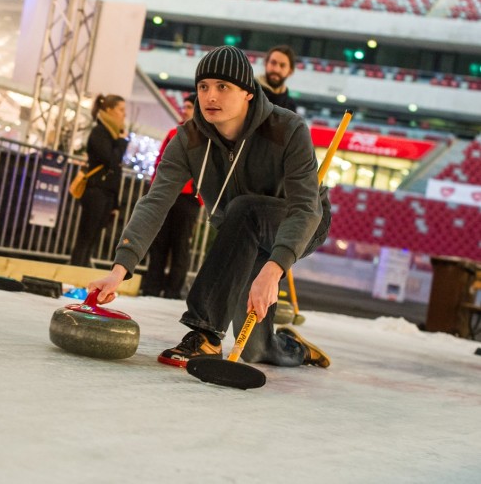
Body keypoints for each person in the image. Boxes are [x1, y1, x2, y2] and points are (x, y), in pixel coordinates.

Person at [89, 46, 331, 369]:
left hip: (300, 220)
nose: (210, 96)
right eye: (203, 87)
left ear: (247, 92)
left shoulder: (288, 129)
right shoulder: (188, 140)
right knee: (256, 350)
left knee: (245, 210)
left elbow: (305, 208)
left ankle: (204, 333)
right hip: (245, 228)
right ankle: (290, 346)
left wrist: (274, 270)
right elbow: (155, 202)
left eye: (222, 87)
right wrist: (119, 270)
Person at [140, 93, 201, 299]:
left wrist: (199, 199)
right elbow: (159, 163)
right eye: (183, 106)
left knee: (180, 247)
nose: (184, 110)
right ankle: (151, 288)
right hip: (167, 196)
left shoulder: (206, 136)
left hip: (188, 199)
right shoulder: (173, 132)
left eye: (189, 107)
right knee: (159, 245)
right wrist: (154, 191)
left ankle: (173, 291)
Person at [69, 94, 128, 268]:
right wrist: (122, 142)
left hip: (107, 192)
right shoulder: (100, 132)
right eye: (121, 109)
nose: (124, 114)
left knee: (95, 234)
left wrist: (116, 203)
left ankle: (82, 267)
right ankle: (76, 268)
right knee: (86, 234)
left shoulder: (113, 134)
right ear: (109, 110)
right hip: (95, 190)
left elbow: (116, 169)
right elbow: (110, 159)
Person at [258, 45, 298, 112]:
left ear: (290, 72)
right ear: (265, 64)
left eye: (282, 65)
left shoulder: (290, 106)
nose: (276, 69)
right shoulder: (249, 93)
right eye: (273, 63)